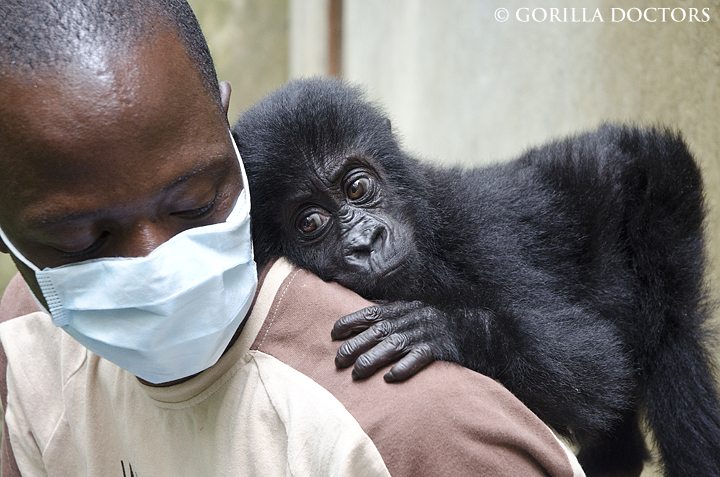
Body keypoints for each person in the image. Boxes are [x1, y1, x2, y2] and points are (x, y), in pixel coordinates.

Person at [0, 1, 585, 475]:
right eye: (82, 240)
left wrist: (471, 332)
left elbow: (590, 373)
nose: (157, 267)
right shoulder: (23, 343)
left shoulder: (418, 431)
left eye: (193, 202)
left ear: (223, 132)